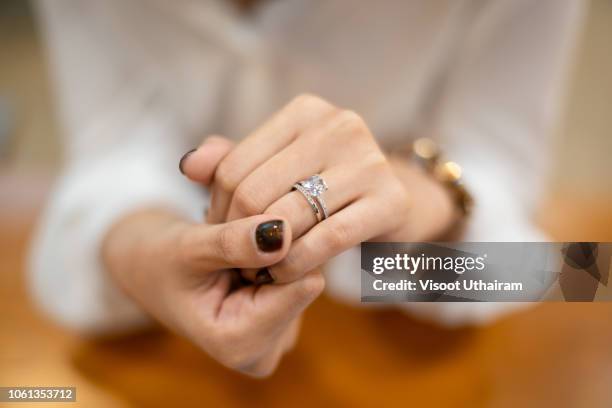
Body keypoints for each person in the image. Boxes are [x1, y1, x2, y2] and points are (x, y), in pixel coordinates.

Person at [30, 0, 585, 376]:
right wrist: (145, 254)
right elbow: (112, 155)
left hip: (405, 363)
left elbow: (534, 263)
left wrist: (414, 206)